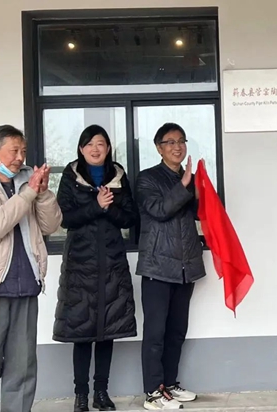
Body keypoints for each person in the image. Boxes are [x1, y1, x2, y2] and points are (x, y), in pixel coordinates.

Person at [53, 125, 138, 412]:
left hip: (112, 263)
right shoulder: (71, 176)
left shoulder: (118, 175)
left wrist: (109, 208)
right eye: (89, 144)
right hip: (80, 264)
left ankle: (101, 393)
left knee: (107, 330)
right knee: (82, 332)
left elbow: (130, 218)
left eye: (100, 143)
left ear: (108, 148)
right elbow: (65, 218)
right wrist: (96, 205)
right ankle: (81, 395)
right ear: (81, 149)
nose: (95, 148)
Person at [0, 125, 62, 412]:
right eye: (14, 151)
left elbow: (51, 226)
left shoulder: (28, 180)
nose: (20, 157)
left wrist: (42, 193)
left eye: (23, 151)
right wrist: (29, 193)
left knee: (22, 365)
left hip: (26, 285)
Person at [135, 123, 205, 410]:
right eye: (170, 142)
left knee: (176, 331)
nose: (177, 147)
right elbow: (159, 210)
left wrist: (199, 189)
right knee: (155, 334)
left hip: (185, 267)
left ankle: (170, 384)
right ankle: (153, 391)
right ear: (159, 148)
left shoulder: (189, 179)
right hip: (157, 267)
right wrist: (185, 184)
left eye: (181, 141)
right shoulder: (147, 179)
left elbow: (202, 213)